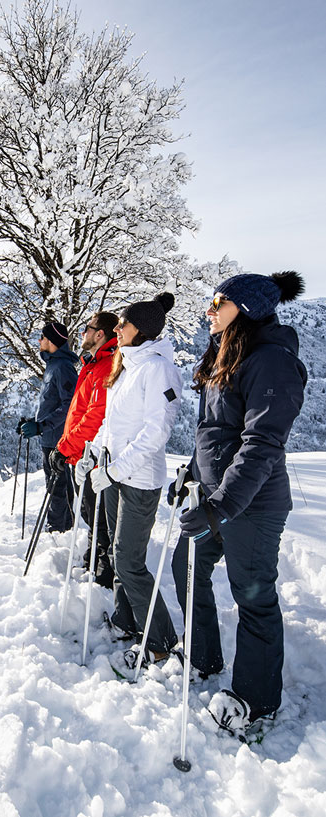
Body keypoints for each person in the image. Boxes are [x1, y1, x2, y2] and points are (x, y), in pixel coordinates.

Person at [170, 270, 307, 734]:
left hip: (253, 504)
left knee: (253, 597)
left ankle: (256, 700)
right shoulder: (228, 353)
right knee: (186, 563)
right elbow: (213, 430)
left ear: (244, 310)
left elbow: (261, 443)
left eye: (218, 302)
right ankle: (204, 656)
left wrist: (221, 504)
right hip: (218, 498)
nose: (209, 310)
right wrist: (192, 471)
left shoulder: (270, 360)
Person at [77, 293, 182, 664]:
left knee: (128, 560)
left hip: (138, 480)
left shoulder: (158, 369)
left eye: (123, 324)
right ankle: (126, 619)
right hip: (112, 472)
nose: (116, 329)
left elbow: (156, 432)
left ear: (143, 330)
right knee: (115, 553)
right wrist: (94, 451)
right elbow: (113, 421)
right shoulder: (127, 364)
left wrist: (116, 469)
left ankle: (160, 641)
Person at [49, 311, 119, 588]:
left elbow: (94, 417)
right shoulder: (93, 363)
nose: (82, 334)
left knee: (98, 514)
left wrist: (66, 447)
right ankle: (94, 559)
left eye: (87, 329)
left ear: (100, 333)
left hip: (91, 457)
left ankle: (103, 574)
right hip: (80, 455)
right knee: (90, 513)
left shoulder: (105, 366)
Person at [21, 321, 78, 533]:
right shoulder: (54, 365)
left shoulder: (63, 367)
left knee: (55, 483)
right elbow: (52, 401)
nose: (39, 341)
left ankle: (57, 528)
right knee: (58, 481)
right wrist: (34, 422)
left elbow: (69, 405)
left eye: (43, 337)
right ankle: (65, 525)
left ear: (52, 341)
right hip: (50, 434)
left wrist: (42, 425)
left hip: (56, 437)